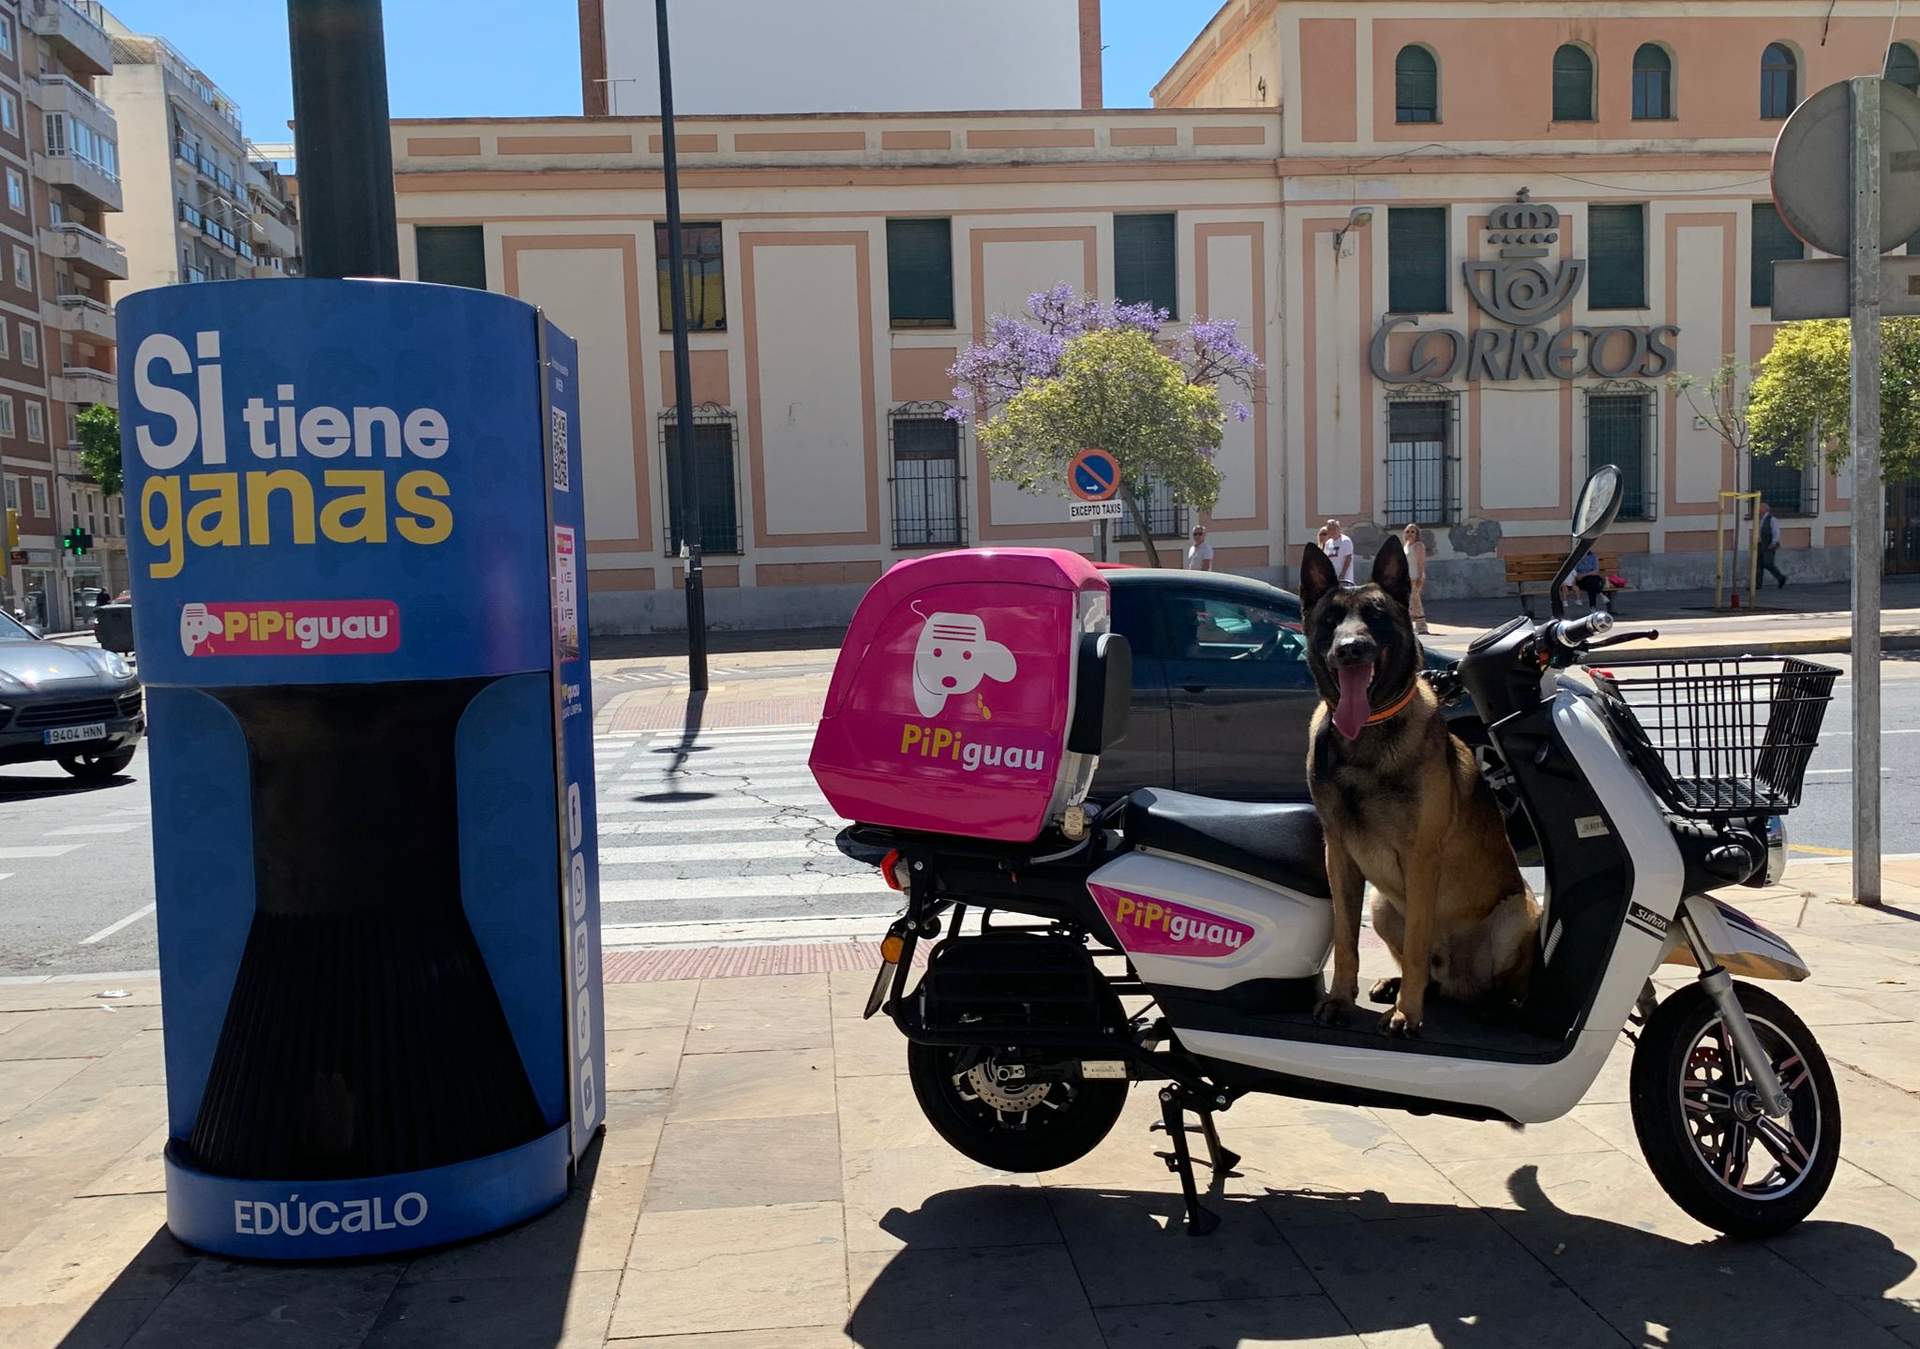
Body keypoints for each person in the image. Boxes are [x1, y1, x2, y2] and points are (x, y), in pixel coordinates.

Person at [1402, 523, 1430, 635]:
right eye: (1408, 531)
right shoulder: (1406, 546)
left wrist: (1420, 577)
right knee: (1407, 603)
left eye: (1413, 532)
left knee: (1415, 601)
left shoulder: (1418, 545)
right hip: (1406, 578)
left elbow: (1421, 563)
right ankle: (1408, 626)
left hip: (1414, 577)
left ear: (1417, 534)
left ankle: (1422, 627)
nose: (1410, 534)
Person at [1757, 500, 1787, 588]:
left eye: (1759, 507)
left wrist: (1774, 542)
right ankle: (1757, 584)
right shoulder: (1760, 519)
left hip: (1768, 545)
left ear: (1764, 509)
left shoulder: (1772, 519)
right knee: (1758, 565)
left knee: (1768, 563)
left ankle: (1781, 577)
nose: (1758, 508)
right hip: (1761, 545)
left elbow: (1776, 532)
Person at [1322, 519, 1355, 585]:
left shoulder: (1345, 541)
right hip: (1332, 579)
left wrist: (1342, 574)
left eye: (1334, 528)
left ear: (1338, 528)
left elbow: (1348, 558)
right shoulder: (1328, 543)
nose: (1333, 531)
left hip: (1344, 579)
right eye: (1330, 529)